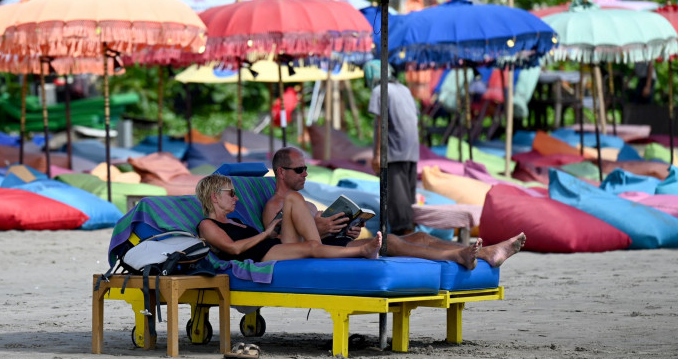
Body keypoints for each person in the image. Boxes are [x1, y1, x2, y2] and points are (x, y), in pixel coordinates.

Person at [263, 147, 526, 270]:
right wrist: (320, 230)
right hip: (320, 254)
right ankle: (461, 255)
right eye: (299, 169)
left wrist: (346, 226)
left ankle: (485, 253)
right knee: (391, 241)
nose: (306, 174)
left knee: (420, 236)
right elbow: (285, 245)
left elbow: (318, 230)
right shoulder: (273, 206)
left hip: (337, 243)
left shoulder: (305, 202)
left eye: (306, 168)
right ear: (281, 173)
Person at [196, 174, 382, 262]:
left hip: (272, 246)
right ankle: (362, 251)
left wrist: (272, 234)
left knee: (293, 198)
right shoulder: (207, 224)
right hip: (260, 255)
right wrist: (265, 233)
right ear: (214, 196)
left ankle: (331, 238)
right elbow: (233, 249)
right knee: (311, 246)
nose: (236, 197)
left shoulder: (235, 221)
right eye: (231, 193)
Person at [364, 59, 419, 236]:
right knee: (407, 201)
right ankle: (410, 235)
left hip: (393, 152)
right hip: (411, 152)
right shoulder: (404, 90)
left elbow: (382, 123)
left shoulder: (380, 91)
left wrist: (379, 154)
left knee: (398, 206)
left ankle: (405, 241)